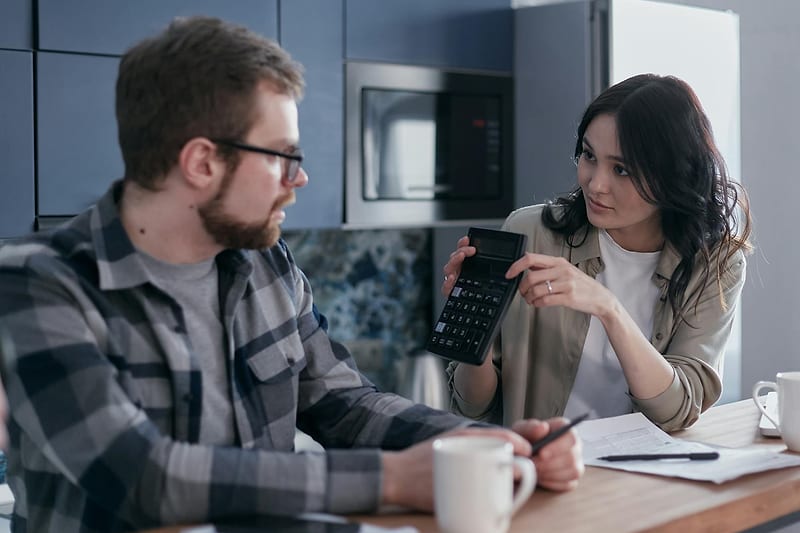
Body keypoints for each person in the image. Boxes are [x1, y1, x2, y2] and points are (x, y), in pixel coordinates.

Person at [0, 16, 583, 533]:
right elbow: (143, 478)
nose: (297, 179)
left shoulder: (263, 261)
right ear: (202, 161)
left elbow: (342, 403)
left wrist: (473, 444)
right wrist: (392, 479)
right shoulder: (41, 286)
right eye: (282, 155)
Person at [443, 74, 752, 433]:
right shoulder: (530, 234)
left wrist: (609, 308)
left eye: (621, 169)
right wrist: (473, 324)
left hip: (644, 481)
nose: (595, 183)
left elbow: (677, 410)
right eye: (589, 156)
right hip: (542, 471)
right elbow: (472, 406)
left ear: (674, 177)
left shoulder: (716, 264)